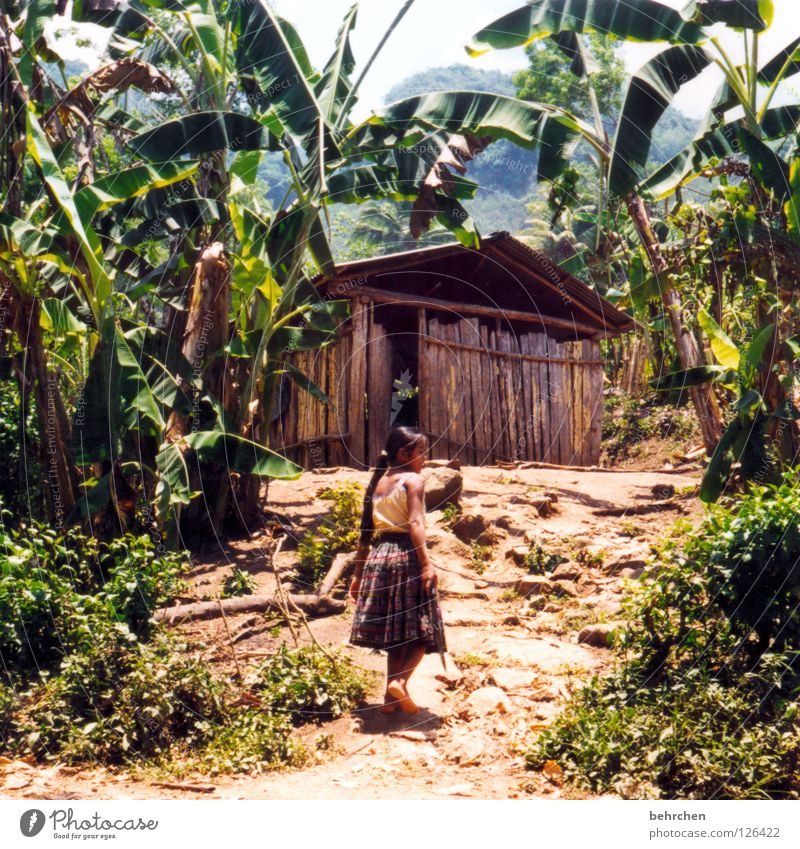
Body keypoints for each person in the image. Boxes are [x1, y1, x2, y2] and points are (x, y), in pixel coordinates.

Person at [348, 426, 446, 714]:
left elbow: (365, 533)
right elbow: (415, 523)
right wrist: (427, 563)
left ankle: (390, 700)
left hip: (380, 557)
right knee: (423, 627)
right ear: (403, 453)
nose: (424, 459)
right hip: (406, 556)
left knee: (395, 632)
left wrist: (357, 574)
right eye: (420, 452)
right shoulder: (413, 480)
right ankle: (401, 682)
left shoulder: (378, 483)